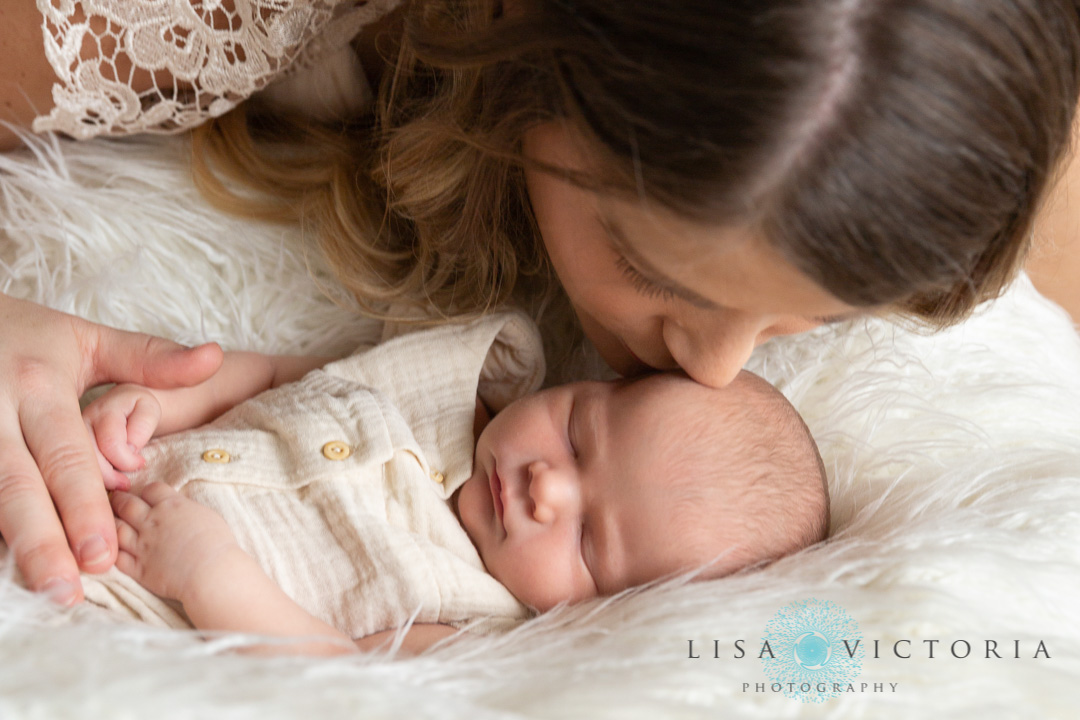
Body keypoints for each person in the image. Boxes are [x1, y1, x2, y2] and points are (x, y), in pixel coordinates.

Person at [0, 0, 1077, 605]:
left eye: (816, 318)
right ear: (527, 45)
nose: (710, 370)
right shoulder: (143, 23)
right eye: (659, 275)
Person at [75, 312, 828, 655]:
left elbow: (330, 673)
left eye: (589, 542)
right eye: (574, 434)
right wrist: (160, 404)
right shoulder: (443, 386)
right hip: (89, 460)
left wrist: (212, 575)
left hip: (109, 601)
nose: (546, 488)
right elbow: (276, 377)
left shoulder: (469, 622)